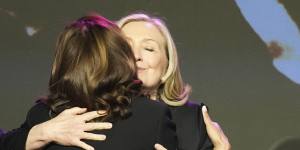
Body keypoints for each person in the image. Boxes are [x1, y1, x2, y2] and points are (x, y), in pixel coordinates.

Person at [1, 13, 230, 150]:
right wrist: (40, 133)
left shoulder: (193, 120)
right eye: (126, 46)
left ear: (167, 64)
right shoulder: (58, 112)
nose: (136, 56)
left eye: (149, 48)